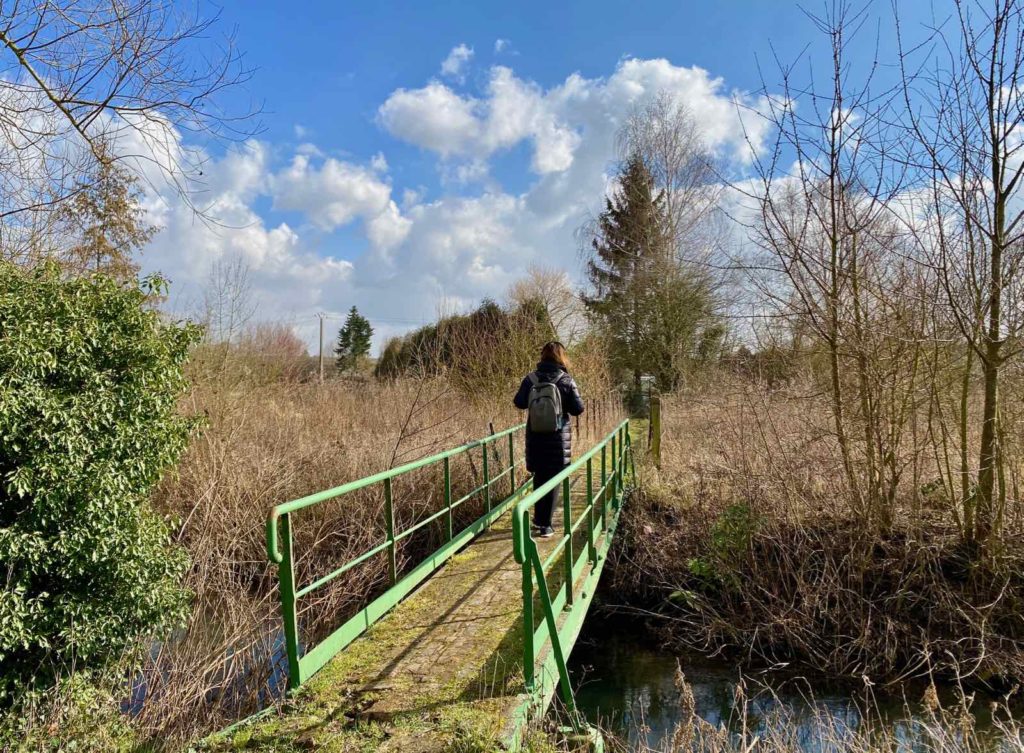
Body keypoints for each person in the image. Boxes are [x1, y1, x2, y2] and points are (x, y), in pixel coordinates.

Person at [513, 341, 585, 538]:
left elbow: (518, 402)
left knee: (539, 475)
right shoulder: (566, 379)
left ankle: (538, 519)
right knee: (553, 480)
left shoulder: (530, 379)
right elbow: (578, 409)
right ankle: (546, 525)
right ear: (561, 357)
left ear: (542, 356)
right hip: (558, 439)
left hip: (535, 437)